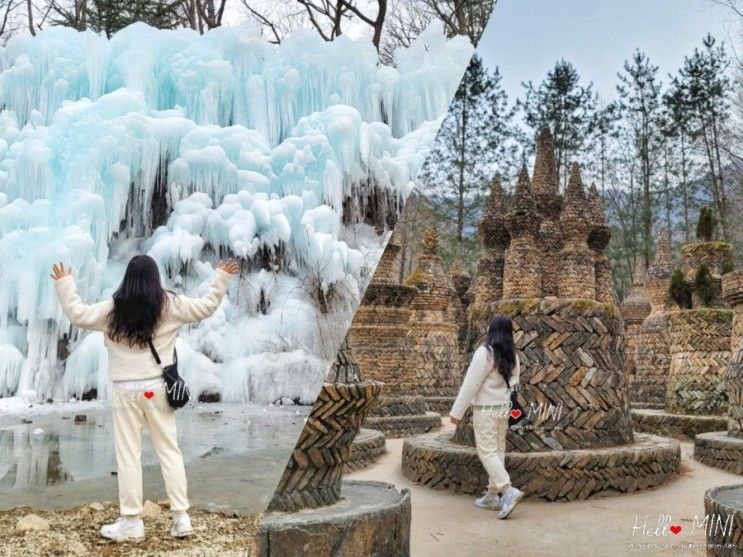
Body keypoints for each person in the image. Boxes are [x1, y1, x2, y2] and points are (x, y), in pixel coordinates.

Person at [51, 255, 238, 542]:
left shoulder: (113, 309)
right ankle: (181, 519)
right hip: (156, 390)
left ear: (127, 279)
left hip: (125, 391)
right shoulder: (170, 304)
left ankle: (131, 521)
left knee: (129, 456)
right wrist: (221, 278)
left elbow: (77, 314)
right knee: (169, 451)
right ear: (155, 279)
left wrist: (65, 283)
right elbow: (206, 307)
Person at [449, 314, 524, 519]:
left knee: (487, 452)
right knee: (498, 450)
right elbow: (515, 384)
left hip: (486, 409)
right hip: (503, 409)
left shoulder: (485, 352)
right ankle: (492, 494)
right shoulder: (513, 356)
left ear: (491, 330)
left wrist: (457, 412)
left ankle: (508, 491)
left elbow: (471, 384)